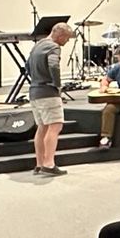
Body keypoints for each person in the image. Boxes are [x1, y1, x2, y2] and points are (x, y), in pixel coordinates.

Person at [26, 22, 74, 176]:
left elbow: (27, 66)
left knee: (42, 127)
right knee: (55, 126)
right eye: (66, 38)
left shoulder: (37, 46)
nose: (66, 42)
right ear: (59, 35)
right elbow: (53, 65)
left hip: (34, 91)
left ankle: (39, 164)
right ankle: (49, 163)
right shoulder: (53, 47)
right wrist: (57, 85)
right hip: (48, 93)